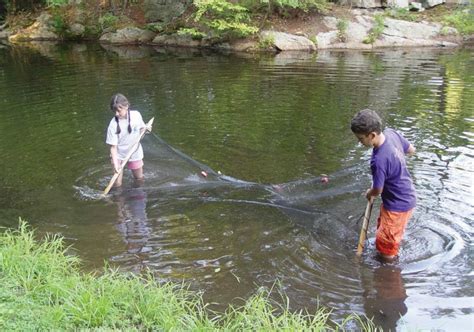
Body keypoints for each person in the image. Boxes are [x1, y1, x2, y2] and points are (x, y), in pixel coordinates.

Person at [351, 109, 416, 261]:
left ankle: (388, 273)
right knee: (384, 233)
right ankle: (392, 241)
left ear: (372, 135)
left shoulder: (378, 160)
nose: (360, 143)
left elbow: (378, 190)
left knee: (387, 247)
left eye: (361, 139)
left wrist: (369, 193)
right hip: (406, 195)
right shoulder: (391, 133)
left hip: (398, 205)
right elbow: (411, 150)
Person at [106, 93, 151, 187]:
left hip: (134, 152)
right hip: (118, 155)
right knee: (117, 184)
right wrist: (115, 164)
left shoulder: (136, 115)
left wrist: (146, 129)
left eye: (119, 110)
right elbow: (113, 148)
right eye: (114, 111)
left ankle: (137, 197)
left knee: (139, 179)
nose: (117, 114)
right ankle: (118, 200)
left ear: (126, 106)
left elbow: (141, 133)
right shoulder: (113, 125)